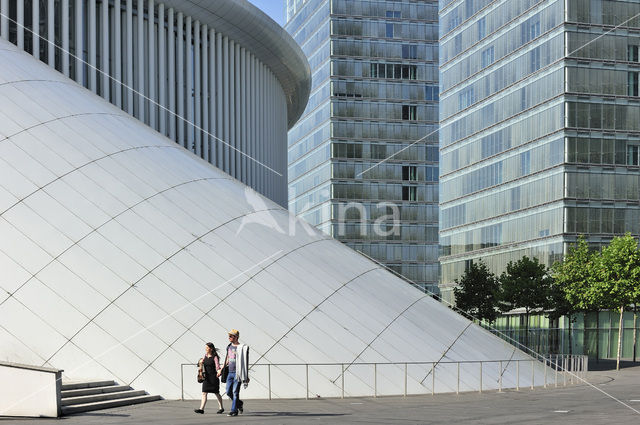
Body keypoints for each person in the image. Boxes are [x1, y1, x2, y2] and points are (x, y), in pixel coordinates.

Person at [219, 329, 249, 417]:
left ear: (236, 337)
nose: (229, 338)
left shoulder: (241, 348)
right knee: (228, 392)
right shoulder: (229, 347)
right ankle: (239, 403)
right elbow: (227, 358)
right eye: (229, 336)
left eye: (231, 336)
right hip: (230, 372)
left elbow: (245, 362)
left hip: (238, 373)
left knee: (235, 392)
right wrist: (221, 369)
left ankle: (234, 410)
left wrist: (246, 375)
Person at [194, 342, 224, 415]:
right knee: (204, 393)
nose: (206, 349)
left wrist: (219, 371)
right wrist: (200, 361)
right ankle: (201, 409)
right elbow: (200, 364)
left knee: (216, 393)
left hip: (213, 377)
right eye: (206, 348)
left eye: (207, 348)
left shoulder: (215, 357)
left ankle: (221, 408)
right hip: (206, 378)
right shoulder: (205, 356)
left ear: (211, 349)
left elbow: (217, 366)